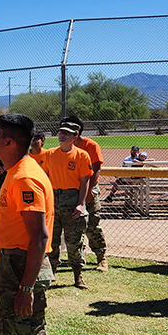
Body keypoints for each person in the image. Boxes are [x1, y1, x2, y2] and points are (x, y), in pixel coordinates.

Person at [0, 113, 55, 335]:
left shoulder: (25, 177)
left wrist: (26, 289)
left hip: (21, 265)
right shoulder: (14, 172)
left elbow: (39, 236)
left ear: (9, 142)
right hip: (9, 263)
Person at [41, 120, 92, 289]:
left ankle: (78, 275)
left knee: (74, 241)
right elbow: (45, 178)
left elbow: (85, 182)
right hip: (54, 199)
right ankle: (52, 274)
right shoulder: (49, 154)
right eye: (61, 132)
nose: (62, 135)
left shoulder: (82, 155)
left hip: (72, 200)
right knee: (52, 241)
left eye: (67, 133)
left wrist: (80, 204)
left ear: (75, 137)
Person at [62, 115, 108, 273]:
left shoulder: (91, 145)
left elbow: (96, 170)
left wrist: (89, 192)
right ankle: (76, 258)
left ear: (77, 130)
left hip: (89, 189)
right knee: (73, 226)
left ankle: (101, 257)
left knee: (92, 224)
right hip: (70, 192)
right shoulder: (65, 146)